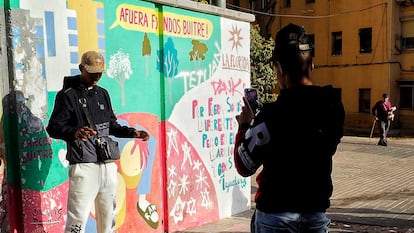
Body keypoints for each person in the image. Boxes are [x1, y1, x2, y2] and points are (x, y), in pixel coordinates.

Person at [234, 23, 345, 233]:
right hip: (315, 216)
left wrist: (245, 125)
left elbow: (244, 165)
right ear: (311, 65)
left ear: (279, 68)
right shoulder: (333, 107)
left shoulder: (271, 116)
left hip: (275, 217)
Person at [47, 50, 150, 233]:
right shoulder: (67, 96)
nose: (96, 76)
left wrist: (133, 133)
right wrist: (75, 132)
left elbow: (112, 125)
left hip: (108, 166)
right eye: (92, 72)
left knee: (109, 219)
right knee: (77, 221)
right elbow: (53, 128)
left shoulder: (103, 93)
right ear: (81, 69)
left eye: (100, 73)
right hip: (84, 166)